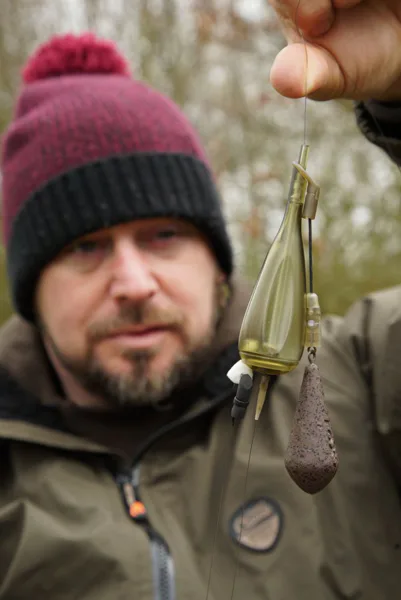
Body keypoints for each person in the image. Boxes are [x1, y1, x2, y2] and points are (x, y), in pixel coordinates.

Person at [0, 11, 399, 598]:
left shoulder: (367, 373)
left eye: (163, 236)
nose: (134, 283)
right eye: (86, 248)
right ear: (32, 287)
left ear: (216, 260)